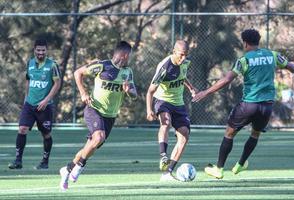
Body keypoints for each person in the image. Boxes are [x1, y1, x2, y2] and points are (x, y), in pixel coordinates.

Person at [192, 29, 294, 179]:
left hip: (249, 105)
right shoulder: (272, 55)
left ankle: (219, 169)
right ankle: (240, 164)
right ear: (258, 41)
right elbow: (291, 66)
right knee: (255, 133)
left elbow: (226, 80)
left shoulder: (244, 60)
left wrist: (205, 92)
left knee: (229, 133)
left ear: (245, 43)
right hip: (266, 106)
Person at [59, 41, 137, 190]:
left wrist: (129, 91)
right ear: (125, 55)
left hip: (110, 117)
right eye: (130, 55)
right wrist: (83, 92)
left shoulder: (128, 72)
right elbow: (78, 73)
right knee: (98, 137)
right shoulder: (103, 66)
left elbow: (134, 96)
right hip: (94, 109)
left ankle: (67, 169)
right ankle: (80, 166)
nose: (130, 58)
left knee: (91, 146)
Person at [146, 40, 198, 181]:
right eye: (181, 55)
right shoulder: (164, 67)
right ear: (174, 52)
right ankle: (163, 157)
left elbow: (182, 76)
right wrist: (149, 110)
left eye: (186, 55)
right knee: (166, 123)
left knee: (184, 135)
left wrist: (191, 87)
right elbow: (150, 91)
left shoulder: (186, 62)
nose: (183, 58)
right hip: (162, 101)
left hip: (178, 103)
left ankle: (167, 173)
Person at [8, 39, 61, 170]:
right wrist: (26, 99)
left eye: (43, 50)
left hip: (45, 106)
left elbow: (57, 84)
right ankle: (18, 161)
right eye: (38, 50)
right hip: (29, 105)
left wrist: (46, 100)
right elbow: (28, 81)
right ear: (34, 50)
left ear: (46, 51)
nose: (41, 52)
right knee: (22, 129)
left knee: (46, 134)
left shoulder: (53, 65)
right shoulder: (30, 63)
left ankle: (45, 162)